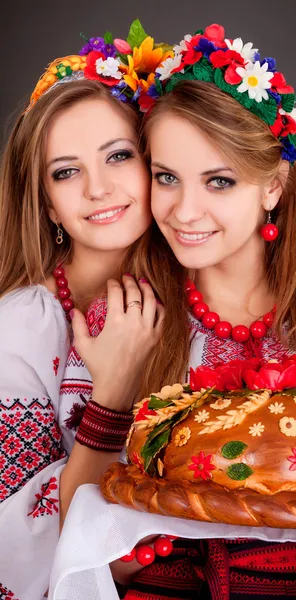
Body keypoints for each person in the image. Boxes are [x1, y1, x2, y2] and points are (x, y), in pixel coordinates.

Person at [54, 23, 296, 600]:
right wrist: (114, 400)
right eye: (166, 177)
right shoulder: (121, 317)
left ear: (274, 185)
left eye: (219, 181)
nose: (186, 211)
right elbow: (85, 548)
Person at [0, 21, 187, 600]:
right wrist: (112, 393)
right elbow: (29, 541)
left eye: (118, 156)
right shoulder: (20, 329)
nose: (99, 188)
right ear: (47, 203)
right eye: (66, 172)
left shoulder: (202, 280)